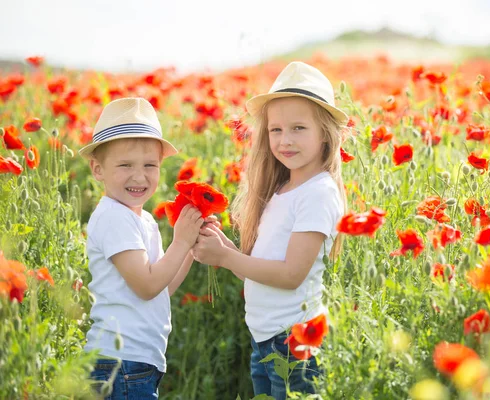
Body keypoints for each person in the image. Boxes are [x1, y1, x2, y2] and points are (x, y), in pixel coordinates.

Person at [192, 61, 348, 399]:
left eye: (298, 128)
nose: (284, 140)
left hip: (295, 343)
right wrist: (226, 252)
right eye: (276, 130)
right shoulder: (281, 192)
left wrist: (227, 258)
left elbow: (291, 275)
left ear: (325, 134)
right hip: (265, 338)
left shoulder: (318, 193)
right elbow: (261, 273)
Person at [79, 97, 206, 399]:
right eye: (125, 165)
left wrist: (189, 248)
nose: (139, 176)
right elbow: (147, 285)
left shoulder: (143, 219)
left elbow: (162, 286)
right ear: (98, 169)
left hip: (136, 363)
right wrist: (181, 241)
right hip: (119, 362)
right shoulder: (113, 217)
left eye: (150, 165)